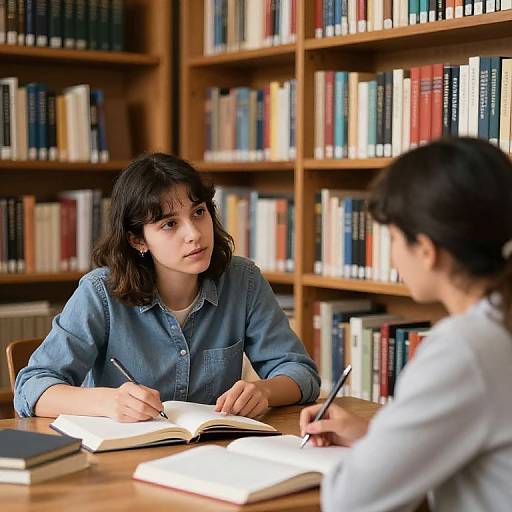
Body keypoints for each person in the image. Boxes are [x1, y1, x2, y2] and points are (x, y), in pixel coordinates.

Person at [15, 153, 320, 421]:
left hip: (212, 456)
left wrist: (262, 391)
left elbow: (301, 373)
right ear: (138, 240)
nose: (194, 234)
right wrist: (108, 402)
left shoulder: (243, 280)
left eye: (199, 212)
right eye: (170, 224)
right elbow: (31, 387)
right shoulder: (100, 293)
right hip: (124, 461)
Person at [300, 137, 512, 511]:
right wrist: (379, 436)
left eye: (394, 238)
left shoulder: (465, 347)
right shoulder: (497, 324)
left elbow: (351, 500)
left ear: (427, 251)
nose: (394, 254)